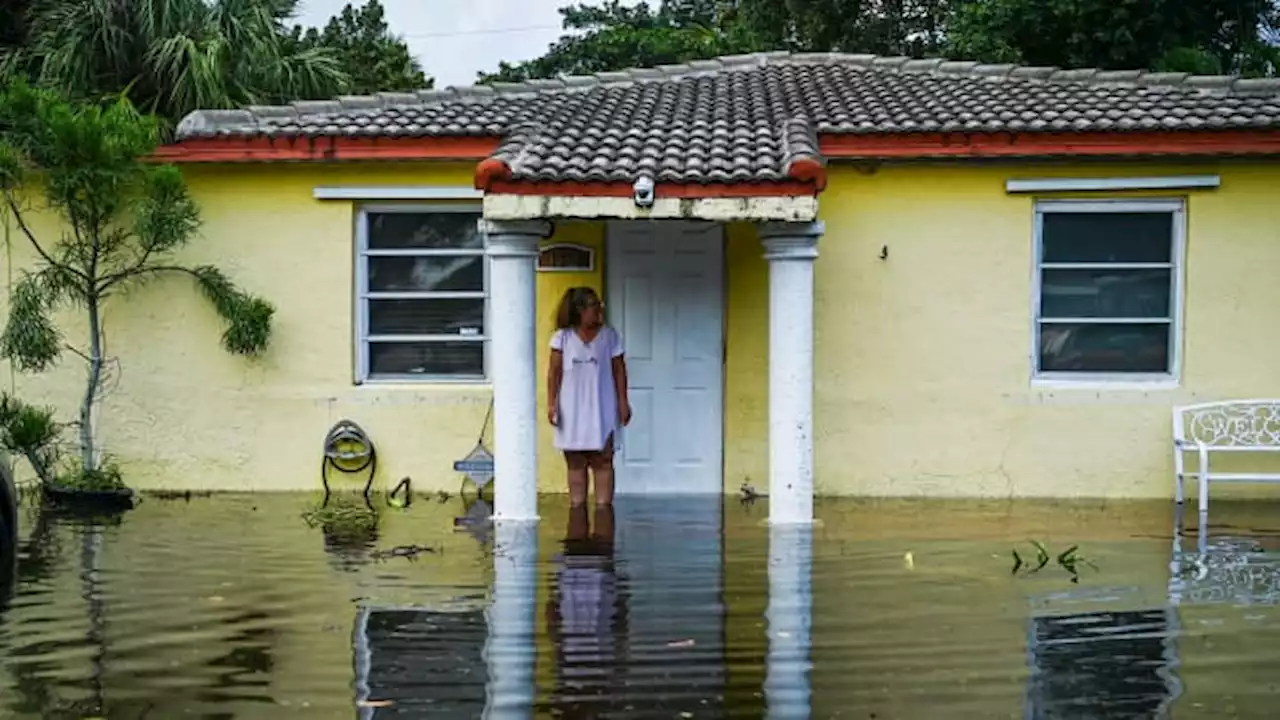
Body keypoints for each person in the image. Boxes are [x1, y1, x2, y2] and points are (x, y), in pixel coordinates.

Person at [547, 286, 631, 507]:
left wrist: (623, 401)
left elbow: (619, 369)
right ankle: (577, 518)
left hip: (602, 406)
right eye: (595, 306)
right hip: (571, 408)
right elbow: (554, 372)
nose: (599, 310)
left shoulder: (609, 336)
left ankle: (604, 516)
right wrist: (551, 404)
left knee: (603, 460)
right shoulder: (562, 338)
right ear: (579, 310)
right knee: (575, 462)